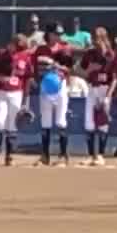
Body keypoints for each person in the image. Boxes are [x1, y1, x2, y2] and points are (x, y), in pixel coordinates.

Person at [0, 31, 35, 166]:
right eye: (15, 44)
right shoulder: (1, 54)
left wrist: (26, 98)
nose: (16, 47)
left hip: (16, 92)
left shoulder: (25, 57)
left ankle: (9, 156)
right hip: (0, 91)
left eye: (20, 45)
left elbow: (28, 78)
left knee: (12, 124)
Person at [33, 24, 76, 166]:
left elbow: (69, 69)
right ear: (49, 34)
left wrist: (55, 65)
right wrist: (38, 79)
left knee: (61, 121)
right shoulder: (41, 49)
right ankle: (45, 156)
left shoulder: (64, 49)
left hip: (59, 86)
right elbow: (35, 68)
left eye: (60, 34)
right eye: (56, 33)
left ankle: (63, 155)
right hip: (45, 87)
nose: (58, 36)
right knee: (45, 123)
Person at [80, 26, 117, 166]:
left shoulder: (110, 55)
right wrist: (89, 70)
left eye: (96, 37)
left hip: (105, 89)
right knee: (89, 122)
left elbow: (114, 78)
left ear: (103, 38)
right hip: (92, 88)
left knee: (103, 123)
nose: (94, 40)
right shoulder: (89, 53)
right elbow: (79, 70)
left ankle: (100, 155)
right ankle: (90, 155)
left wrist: (108, 97)